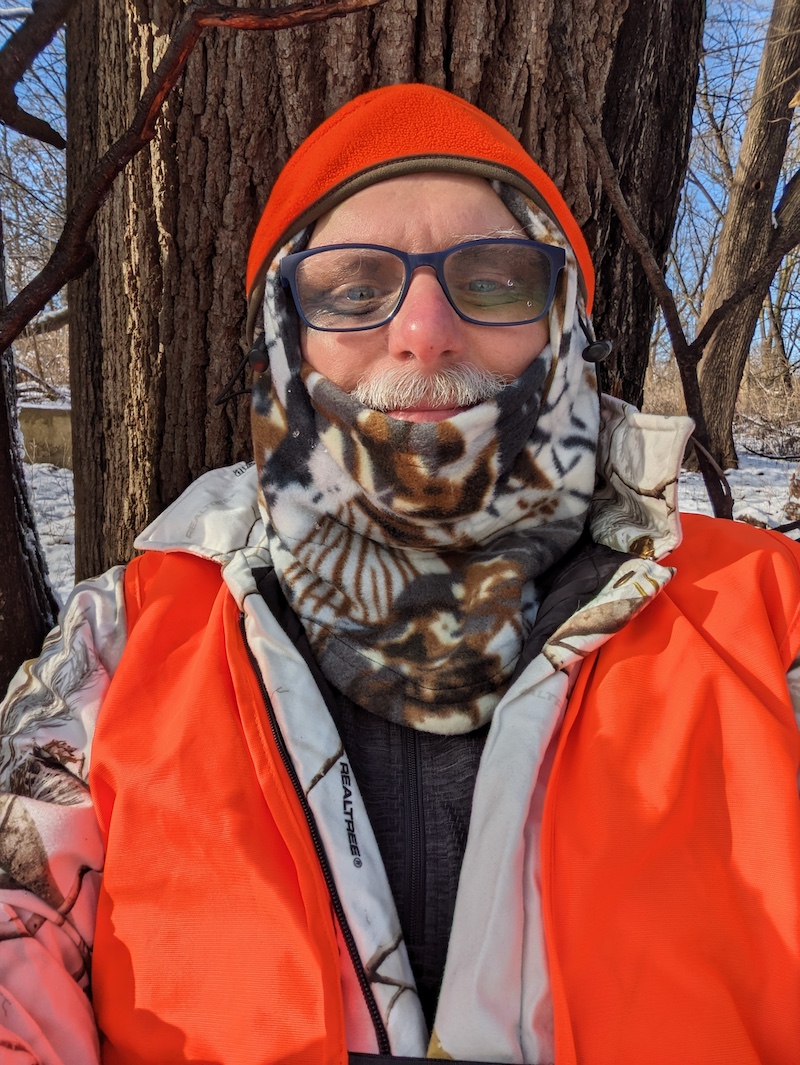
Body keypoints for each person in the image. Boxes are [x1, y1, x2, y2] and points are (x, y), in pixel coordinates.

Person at [1, 83, 800, 1065]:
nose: (423, 329)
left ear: (564, 332)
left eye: (497, 278)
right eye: (350, 288)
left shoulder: (768, 620)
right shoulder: (122, 640)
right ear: (285, 342)